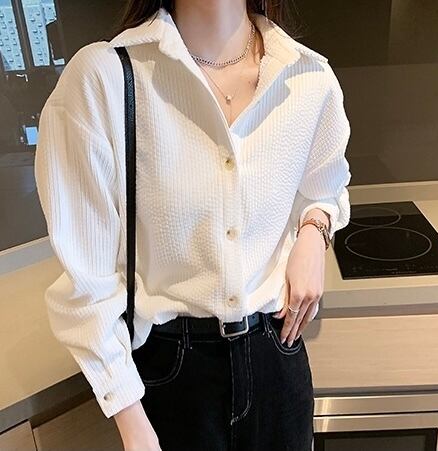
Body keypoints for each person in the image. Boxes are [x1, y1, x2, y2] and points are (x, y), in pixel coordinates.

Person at [34, 1, 352, 450]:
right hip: (172, 375)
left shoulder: (308, 77)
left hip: (277, 357)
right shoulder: (106, 79)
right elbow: (88, 280)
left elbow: (325, 184)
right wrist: (129, 416)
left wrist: (314, 233)